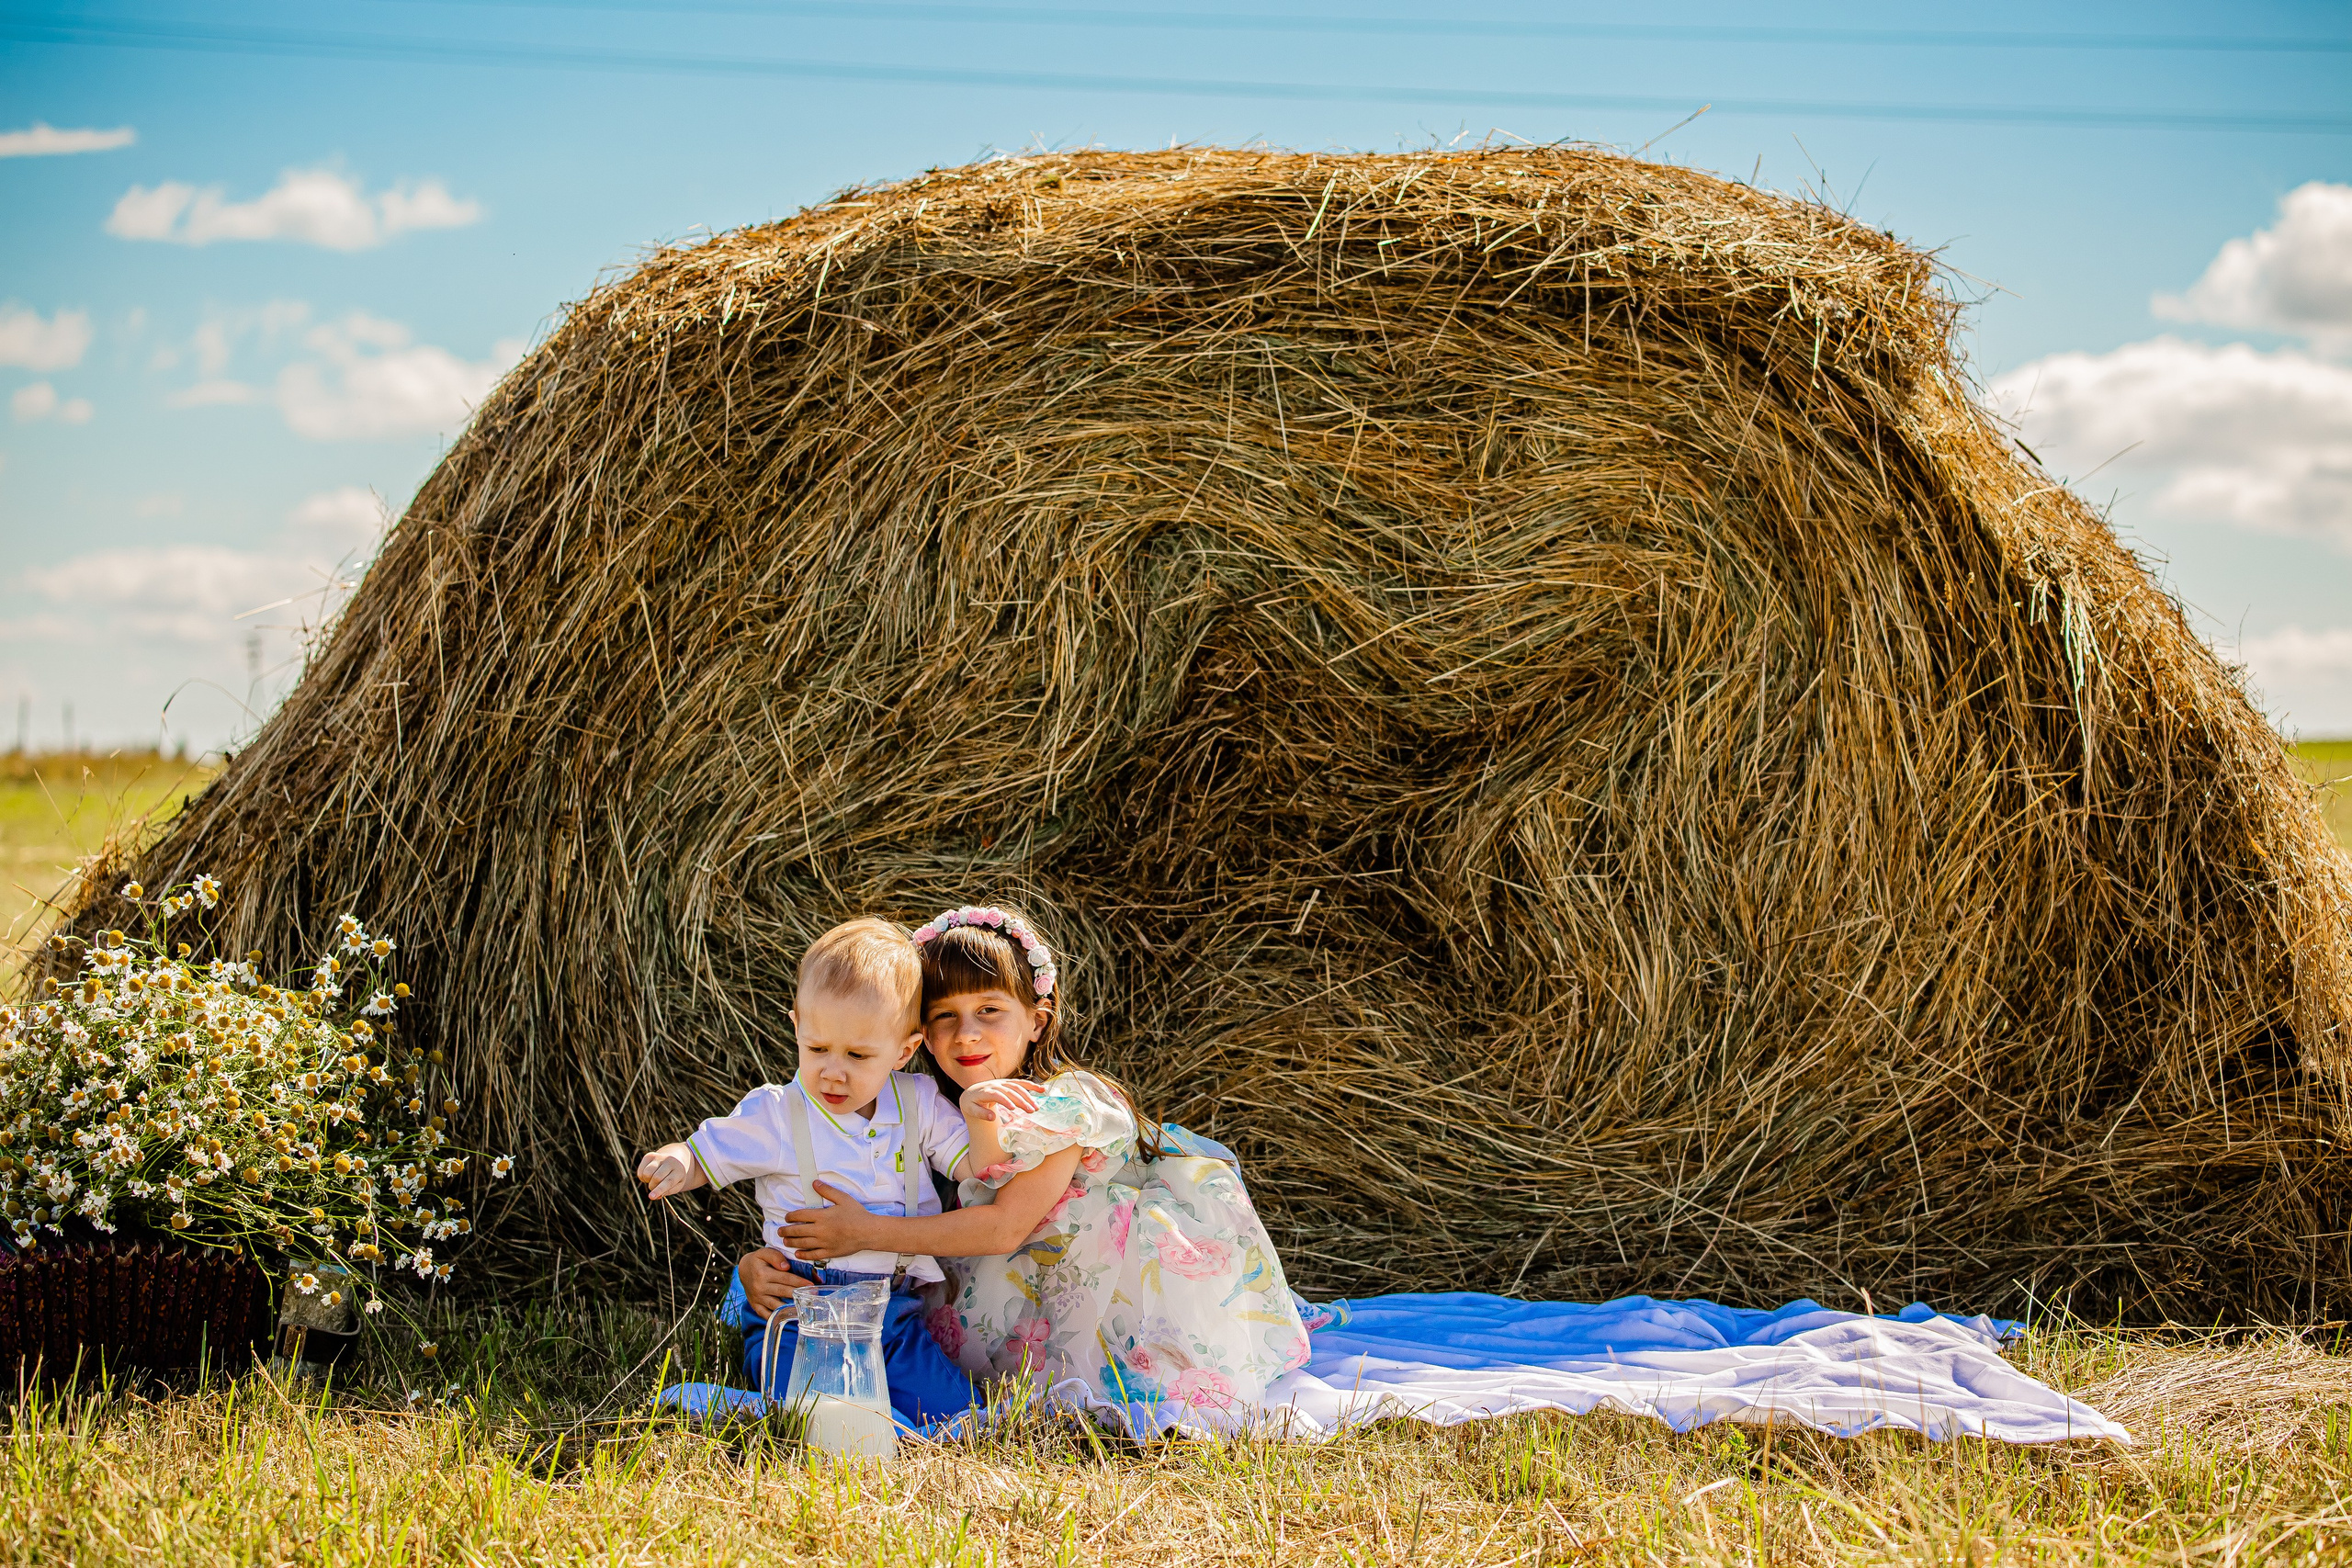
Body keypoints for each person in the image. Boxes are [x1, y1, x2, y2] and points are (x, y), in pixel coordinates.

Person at [772, 903, 1312, 1426]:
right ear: (916, 1039)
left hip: (1094, 1304)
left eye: (990, 1011)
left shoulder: (1064, 1103)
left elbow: (1005, 1226)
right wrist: (764, 1264)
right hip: (1014, 1298)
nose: (967, 1034)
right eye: (945, 1016)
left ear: (1036, 1019)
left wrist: (867, 1233)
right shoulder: (919, 1113)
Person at [635, 916, 978, 1427]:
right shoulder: (777, 1112)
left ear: (905, 1051)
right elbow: (708, 1151)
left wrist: (987, 1113)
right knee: (815, 1412)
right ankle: (791, 1410)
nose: (832, 1071)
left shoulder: (919, 1104)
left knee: (955, 1418)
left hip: (891, 1314)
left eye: (858, 1056)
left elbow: (973, 1166)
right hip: (800, 1311)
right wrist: (677, 1162)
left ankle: (871, 1421)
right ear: (796, 1025)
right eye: (817, 1048)